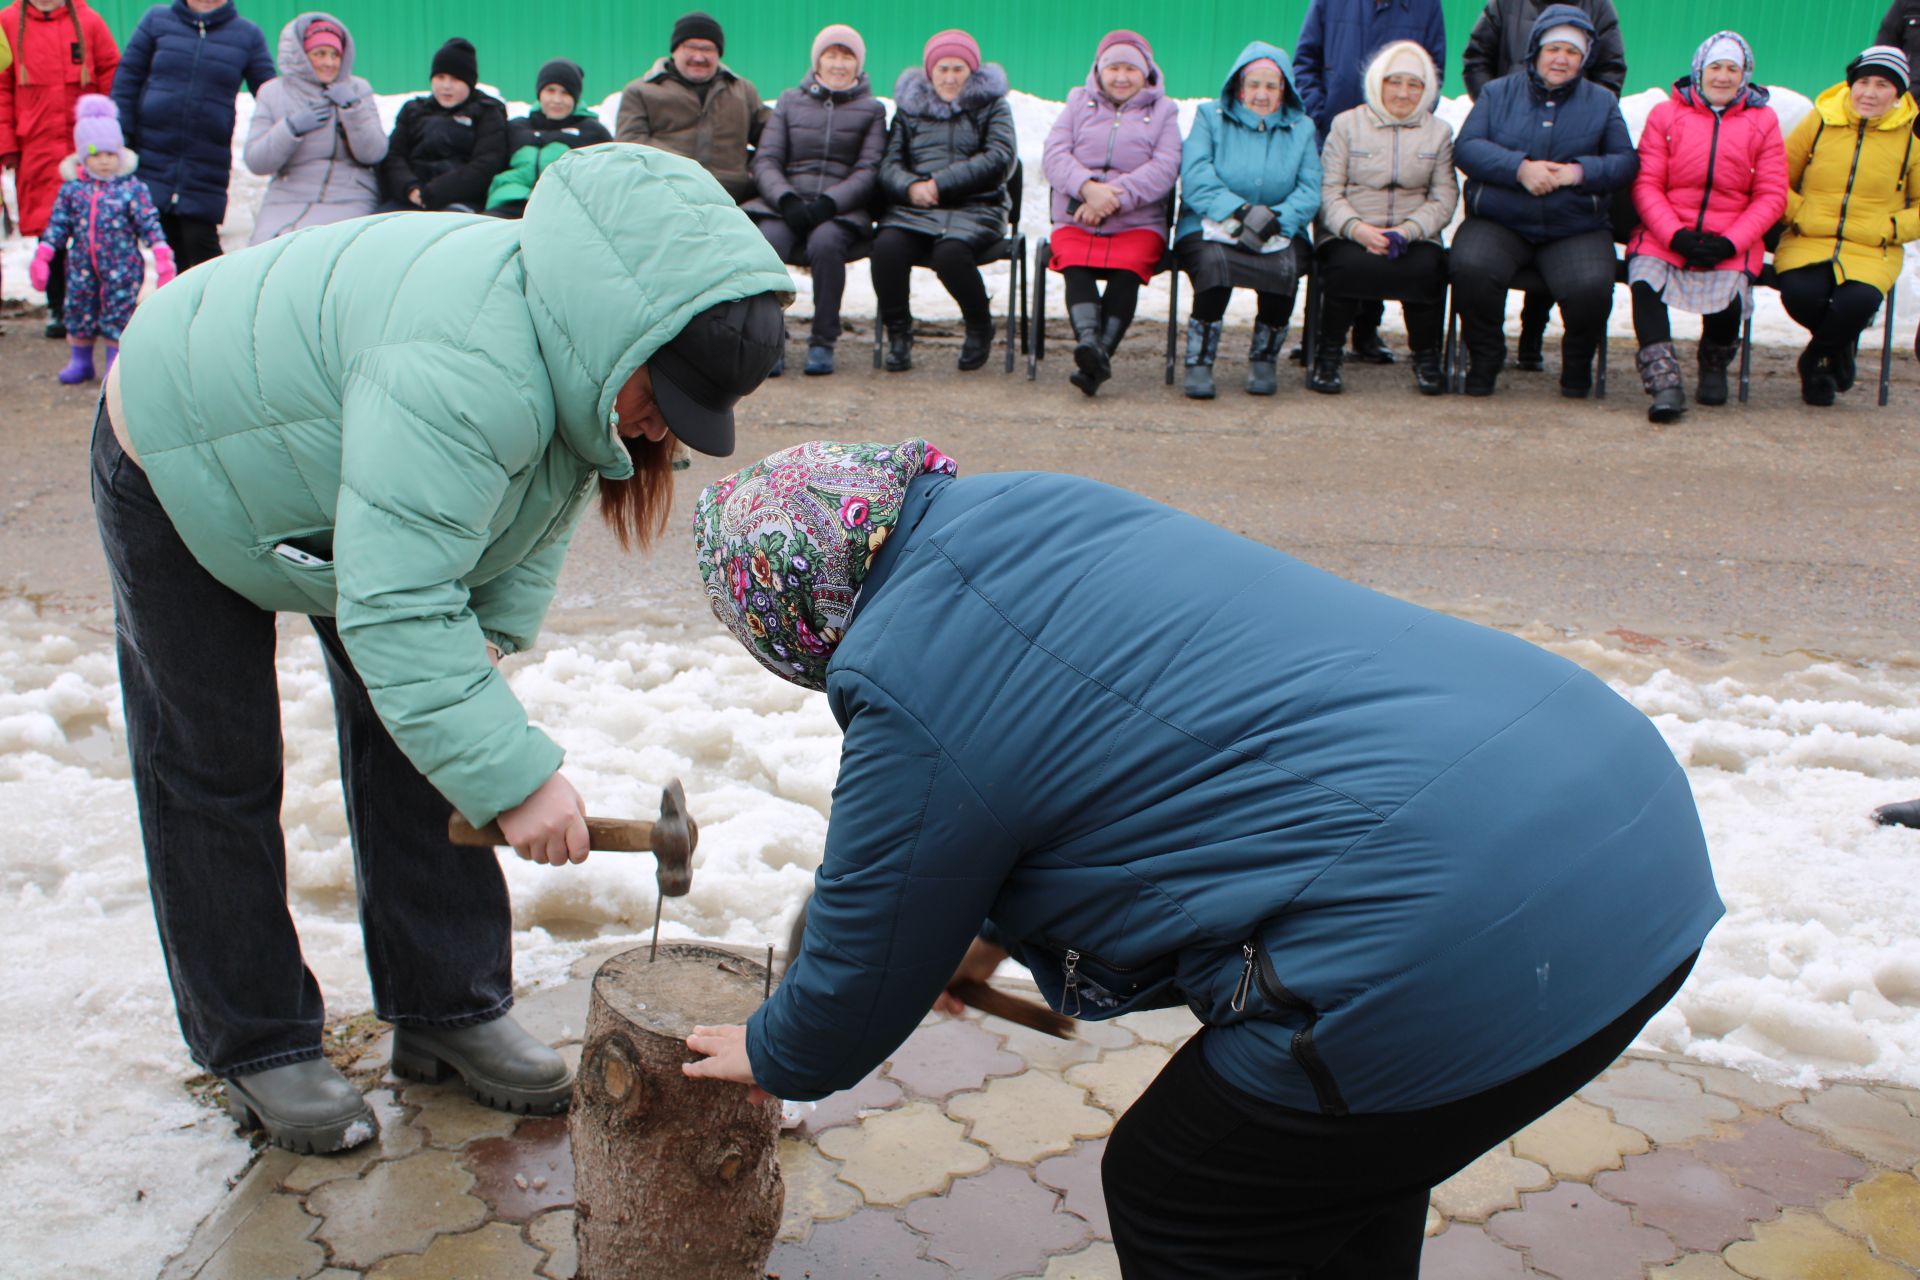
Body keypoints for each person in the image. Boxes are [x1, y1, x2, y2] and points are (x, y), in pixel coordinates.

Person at [680, 438, 1722, 1280]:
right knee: (1334, 1168)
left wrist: (780, 1049)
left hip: (1464, 926)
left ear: (790, 616)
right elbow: (1092, 733)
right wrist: (986, 933)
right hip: (1621, 814)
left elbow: (870, 937)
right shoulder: (1037, 512)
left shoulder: (905, 670)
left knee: (1184, 1192)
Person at [95, 145, 793, 1155]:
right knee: (216, 758)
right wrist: (511, 774)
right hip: (183, 433)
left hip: (339, 474)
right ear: (626, 336)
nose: (660, 433)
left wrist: (483, 680)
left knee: (425, 725)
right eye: (666, 397)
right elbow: (401, 603)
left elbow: (522, 526)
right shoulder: (470, 365)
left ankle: (445, 1007)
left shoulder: (571, 348)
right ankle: (255, 1038)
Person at [1451, 6, 1637, 398]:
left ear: (1584, 59)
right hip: (1501, 219)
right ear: (1535, 50)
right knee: (1470, 267)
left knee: (1591, 286)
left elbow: (1624, 163)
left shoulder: (1601, 102)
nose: (1561, 58)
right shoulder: (1498, 92)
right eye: (1554, 48)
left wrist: (1577, 173)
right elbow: (1466, 148)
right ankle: (1485, 356)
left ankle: (1576, 364)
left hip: (1573, 225)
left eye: (1572, 52)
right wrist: (1519, 169)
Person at [1624, 32, 1786, 423]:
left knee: (1729, 296)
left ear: (1745, 75)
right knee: (1645, 281)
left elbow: (1771, 194)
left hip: (1731, 236)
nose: (1723, 76)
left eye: (1733, 68)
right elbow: (1646, 184)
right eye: (1716, 67)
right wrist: (1674, 235)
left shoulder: (1763, 121)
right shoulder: (1666, 115)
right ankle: (1664, 382)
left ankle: (1714, 361)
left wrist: (1731, 242)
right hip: (1669, 231)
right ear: (1699, 70)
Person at [1293, 0, 1446, 365]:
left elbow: (1434, 67)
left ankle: (1366, 333)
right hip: (1337, 131)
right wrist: (1323, 112)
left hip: (1402, 133)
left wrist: (1411, 115)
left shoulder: (1425, 7)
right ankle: (1319, 338)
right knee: (1343, 233)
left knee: (1388, 217)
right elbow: (1306, 60)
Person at [1173, 41, 1321, 399]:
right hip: (1211, 222)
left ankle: (1264, 358)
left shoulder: (1301, 129)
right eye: (1254, 85)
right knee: (1213, 264)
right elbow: (1195, 176)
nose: (1261, 94)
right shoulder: (1210, 118)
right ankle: (1199, 360)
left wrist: (1277, 219)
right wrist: (1238, 211)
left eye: (1271, 86)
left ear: (1284, 89)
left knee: (1285, 267)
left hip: (1279, 226)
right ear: (1239, 87)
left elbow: (1310, 187)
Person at [1310, 40, 1457, 396]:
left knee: (1427, 268)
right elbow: (1328, 191)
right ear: (1378, 82)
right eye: (1395, 82)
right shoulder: (1346, 125)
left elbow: (1444, 196)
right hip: (1351, 230)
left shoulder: (1438, 133)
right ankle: (1328, 355)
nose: (1403, 93)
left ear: (1426, 91)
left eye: (1414, 84)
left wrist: (1408, 232)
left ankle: (1426, 357)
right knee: (1347, 267)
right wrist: (1357, 229)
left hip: (1412, 233)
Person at [1774, 46, 1919, 407]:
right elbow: (1778, 179)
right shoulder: (1819, 121)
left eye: (1883, 85)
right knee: (1800, 296)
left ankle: (1818, 361)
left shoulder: (1912, 138)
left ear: (1898, 92)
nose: (1869, 93)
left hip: (1872, 246)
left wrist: (1890, 227)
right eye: (1863, 82)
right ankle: (1838, 347)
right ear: (1850, 84)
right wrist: (1800, 213)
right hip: (1809, 236)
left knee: (1858, 301)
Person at [1040, 29, 1180, 396]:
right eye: (1113, 67)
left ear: (1146, 73)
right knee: (1073, 261)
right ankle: (1092, 346)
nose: (1121, 77)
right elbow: (1055, 155)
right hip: (1078, 215)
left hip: (1137, 220)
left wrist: (1112, 198)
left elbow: (1166, 167)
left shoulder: (1164, 111)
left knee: (1128, 268)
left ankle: (1096, 352)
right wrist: (1088, 188)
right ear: (1099, 70)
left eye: (1130, 69)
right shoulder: (1077, 103)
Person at [743, 23, 885, 377]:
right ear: (817, 62)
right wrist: (786, 198)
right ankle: (769, 341)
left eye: (847, 57)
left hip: (838, 210)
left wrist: (829, 204)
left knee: (826, 244)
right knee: (769, 243)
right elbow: (767, 159)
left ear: (859, 65)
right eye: (831, 55)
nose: (838, 64)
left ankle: (823, 340)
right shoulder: (790, 101)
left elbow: (869, 169)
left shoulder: (872, 110)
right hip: (785, 203)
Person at [872, 29, 1016, 374]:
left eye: (958, 69)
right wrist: (910, 188)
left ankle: (979, 326)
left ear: (973, 72)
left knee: (950, 254)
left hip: (978, 207)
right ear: (929, 72)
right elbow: (889, 163)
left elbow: (1001, 157)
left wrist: (940, 184)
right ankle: (899, 333)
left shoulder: (993, 105)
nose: (950, 77)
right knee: (886, 247)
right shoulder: (909, 111)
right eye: (943, 69)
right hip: (916, 208)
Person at [111, 0, 275, 272]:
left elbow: (269, 95)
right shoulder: (156, 20)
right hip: (153, 153)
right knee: (162, 244)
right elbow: (127, 79)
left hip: (206, 161)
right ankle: (172, 312)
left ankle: (218, 309)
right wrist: (120, 136)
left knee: (201, 246)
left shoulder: (247, 35)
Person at [29, 93, 171, 383]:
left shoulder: (131, 189)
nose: (104, 161)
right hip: (81, 266)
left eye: (109, 154)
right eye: (95, 155)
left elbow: (148, 222)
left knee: (118, 313)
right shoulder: (73, 190)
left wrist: (161, 254)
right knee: (79, 309)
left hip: (122, 268)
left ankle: (114, 366)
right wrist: (44, 254)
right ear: (83, 157)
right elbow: (58, 224)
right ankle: (80, 361)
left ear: (119, 154)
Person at [0, 0, 119, 339]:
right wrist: (6, 141)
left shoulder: (88, 21)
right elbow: (2, 88)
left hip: (84, 148)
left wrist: (110, 134)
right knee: (48, 229)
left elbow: (111, 73)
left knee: (90, 227)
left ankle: (92, 305)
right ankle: (57, 304)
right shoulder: (8, 22)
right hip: (34, 145)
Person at [243, 13, 385, 244]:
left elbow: (374, 153)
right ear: (300, 56)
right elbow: (257, 161)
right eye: (319, 54)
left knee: (329, 247)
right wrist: (290, 128)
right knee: (264, 251)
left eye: (335, 55)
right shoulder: (273, 92)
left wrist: (352, 110)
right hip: (288, 195)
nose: (329, 63)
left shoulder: (357, 89)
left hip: (349, 195)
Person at [615, 11, 768, 204]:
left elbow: (771, 137)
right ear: (674, 50)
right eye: (690, 47)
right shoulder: (640, 92)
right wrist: (686, 170)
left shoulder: (743, 90)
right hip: (664, 196)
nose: (699, 57)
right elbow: (629, 146)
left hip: (731, 199)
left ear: (718, 53)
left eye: (707, 49)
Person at [379, 36, 508, 213]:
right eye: (440, 77)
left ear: (469, 83)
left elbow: (486, 164)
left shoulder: (488, 112)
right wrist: (410, 188)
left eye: (455, 79)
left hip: (461, 200)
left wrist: (437, 191)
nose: (446, 86)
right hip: (410, 198)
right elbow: (394, 157)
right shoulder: (413, 110)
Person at [484, 58, 612, 219]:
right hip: (510, 203)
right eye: (550, 90)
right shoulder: (517, 127)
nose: (557, 100)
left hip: (562, 208)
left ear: (575, 97)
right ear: (540, 93)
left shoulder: (592, 131)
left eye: (565, 93)